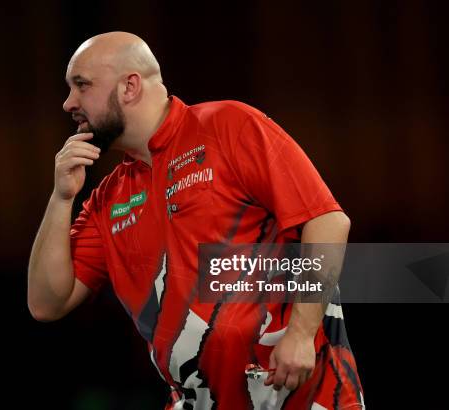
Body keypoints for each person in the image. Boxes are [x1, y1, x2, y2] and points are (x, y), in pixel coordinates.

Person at [28, 31, 365, 409]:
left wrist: (302, 333)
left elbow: (328, 221)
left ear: (129, 87)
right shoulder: (107, 199)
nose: (68, 102)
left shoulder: (229, 125)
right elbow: (46, 303)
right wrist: (61, 198)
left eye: (81, 85)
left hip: (304, 397)